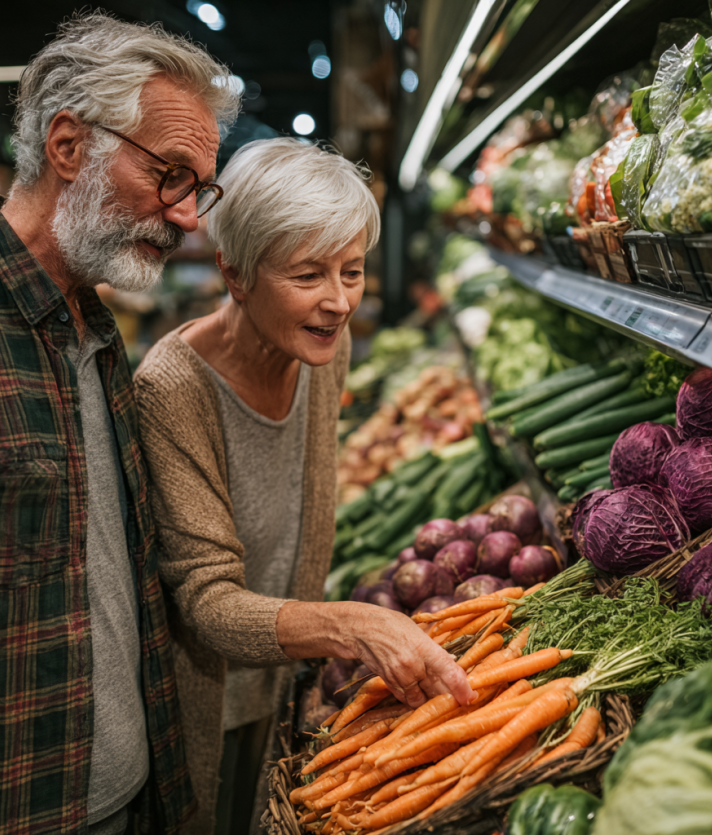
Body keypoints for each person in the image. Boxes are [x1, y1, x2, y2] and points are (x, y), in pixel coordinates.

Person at [0, 13, 241, 835]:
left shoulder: (94, 328)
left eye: (199, 187)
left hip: (126, 802)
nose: (188, 216)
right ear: (69, 146)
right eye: (170, 175)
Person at [133, 138, 476, 835]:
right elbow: (205, 600)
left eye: (351, 271)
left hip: (285, 683)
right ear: (234, 273)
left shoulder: (325, 345)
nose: (339, 301)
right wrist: (345, 623)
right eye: (308, 274)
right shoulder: (169, 388)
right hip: (204, 699)